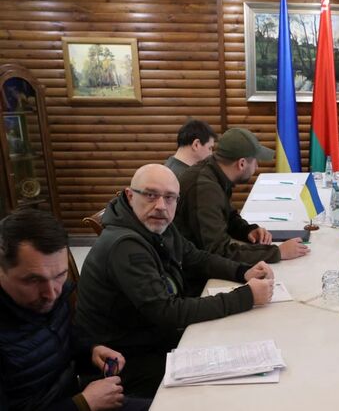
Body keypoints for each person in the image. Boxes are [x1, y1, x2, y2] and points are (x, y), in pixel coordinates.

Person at [75, 164, 276, 398]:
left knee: (236, 339)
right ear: (130, 196)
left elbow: (195, 257)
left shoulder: (153, 223)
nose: (161, 205)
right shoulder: (125, 246)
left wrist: (243, 272)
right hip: (124, 362)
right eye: (150, 195)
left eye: (170, 197)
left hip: (149, 338)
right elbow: (167, 312)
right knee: (226, 383)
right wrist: (246, 296)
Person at [0, 209, 149, 411]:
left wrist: (91, 352)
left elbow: (58, 342)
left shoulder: (52, 296)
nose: (51, 293)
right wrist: (82, 403)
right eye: (33, 280)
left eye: (60, 275)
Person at [174, 128, 309, 268]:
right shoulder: (205, 189)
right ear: (242, 163)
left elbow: (228, 216)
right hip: (191, 272)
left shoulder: (215, 170)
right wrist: (277, 252)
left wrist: (247, 230)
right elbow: (219, 251)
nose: (257, 166)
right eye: (255, 161)